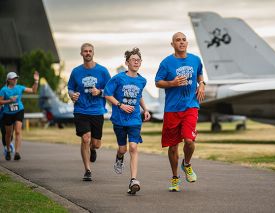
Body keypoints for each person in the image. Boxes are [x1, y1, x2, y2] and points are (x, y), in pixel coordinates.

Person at [155, 32, 205, 192]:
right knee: (173, 146)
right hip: (172, 109)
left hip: (191, 105)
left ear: (187, 43)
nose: (181, 42)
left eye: (184, 40)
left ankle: (187, 164)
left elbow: (199, 74)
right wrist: (172, 83)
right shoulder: (166, 63)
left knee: (189, 140)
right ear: (172, 44)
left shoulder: (195, 59)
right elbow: (158, 82)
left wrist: (202, 84)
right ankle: (175, 177)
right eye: (178, 40)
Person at [105, 47, 151, 195]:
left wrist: (146, 109)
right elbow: (107, 94)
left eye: (138, 60)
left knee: (133, 147)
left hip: (135, 120)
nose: (136, 62)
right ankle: (119, 157)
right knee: (123, 149)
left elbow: (139, 96)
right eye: (133, 60)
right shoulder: (118, 78)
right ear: (127, 62)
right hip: (119, 120)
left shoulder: (142, 80)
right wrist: (120, 105)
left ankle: (133, 180)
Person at [68, 43, 111, 181]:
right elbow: (70, 88)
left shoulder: (103, 71)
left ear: (93, 53)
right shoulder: (76, 72)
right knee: (85, 138)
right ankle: (87, 170)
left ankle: (93, 149)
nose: (87, 53)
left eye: (90, 51)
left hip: (97, 110)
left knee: (96, 143)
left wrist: (100, 92)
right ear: (81, 53)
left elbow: (110, 90)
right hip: (81, 110)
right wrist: (71, 95)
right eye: (85, 51)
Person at [0, 71, 39, 161]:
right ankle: (8, 150)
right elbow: (0, 102)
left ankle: (17, 153)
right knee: (8, 134)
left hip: (19, 111)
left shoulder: (19, 87)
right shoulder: (3, 90)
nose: (15, 80)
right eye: (14, 79)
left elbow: (33, 90)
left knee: (18, 131)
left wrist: (36, 81)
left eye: (16, 78)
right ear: (9, 80)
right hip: (7, 113)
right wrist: (9, 101)